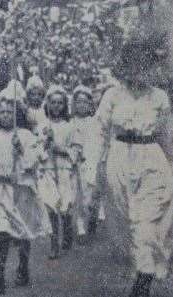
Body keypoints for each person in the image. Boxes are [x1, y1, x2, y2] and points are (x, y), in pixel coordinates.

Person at [96, 39, 173, 297]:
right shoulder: (113, 95)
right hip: (119, 159)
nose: (142, 71)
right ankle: (143, 268)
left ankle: (143, 280)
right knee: (125, 220)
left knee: (145, 222)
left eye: (147, 65)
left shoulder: (159, 97)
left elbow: (165, 135)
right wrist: (92, 168)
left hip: (151, 160)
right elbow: (99, 131)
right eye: (136, 65)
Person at [0, 81, 48, 295]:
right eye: (1, 112)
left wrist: (21, 151)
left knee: (23, 233)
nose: (5, 116)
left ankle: (23, 267)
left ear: (17, 113)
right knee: (2, 231)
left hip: (22, 192)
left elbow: (35, 162)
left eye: (10, 112)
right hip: (1, 191)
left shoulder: (26, 136)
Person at [38, 85, 78, 259]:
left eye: (60, 103)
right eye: (53, 103)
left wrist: (60, 149)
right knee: (50, 207)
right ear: (47, 104)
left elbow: (76, 151)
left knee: (65, 207)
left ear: (64, 105)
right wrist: (45, 145)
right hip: (47, 169)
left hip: (64, 170)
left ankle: (67, 230)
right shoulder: (42, 126)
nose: (56, 106)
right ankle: (54, 244)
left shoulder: (70, 127)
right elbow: (36, 150)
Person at [70, 85, 102, 243]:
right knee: (78, 195)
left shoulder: (94, 122)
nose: (81, 105)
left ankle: (92, 217)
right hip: (76, 162)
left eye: (85, 102)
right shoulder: (71, 122)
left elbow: (98, 141)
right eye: (78, 102)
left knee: (90, 195)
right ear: (74, 104)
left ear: (90, 105)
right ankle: (80, 226)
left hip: (91, 160)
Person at [24, 71, 48, 135]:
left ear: (43, 95)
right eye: (33, 94)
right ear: (28, 95)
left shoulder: (45, 110)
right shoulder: (26, 110)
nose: (36, 97)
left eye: (39, 94)